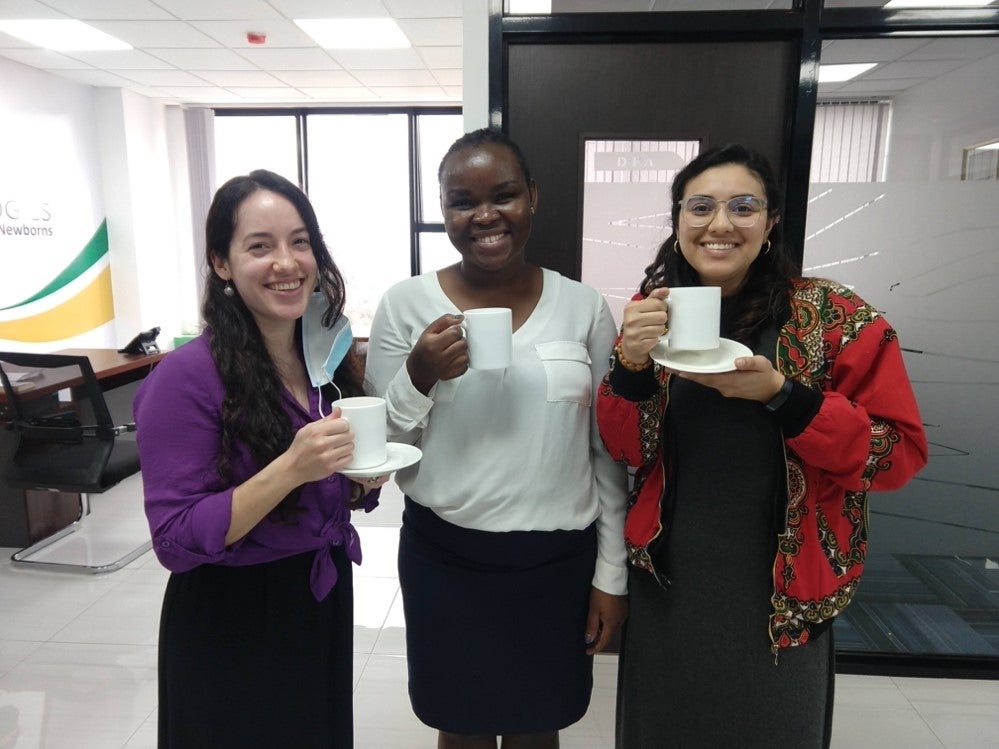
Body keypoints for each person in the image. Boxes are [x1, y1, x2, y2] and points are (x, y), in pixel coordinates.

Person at [596, 144, 928, 748]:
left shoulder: (834, 317)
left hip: (784, 594)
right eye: (700, 207)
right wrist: (632, 367)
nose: (720, 224)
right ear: (677, 223)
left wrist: (785, 396)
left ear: (771, 222)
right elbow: (626, 450)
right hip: (672, 583)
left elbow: (897, 454)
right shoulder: (653, 316)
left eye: (743, 206)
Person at [364, 128, 629, 749]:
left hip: (557, 566)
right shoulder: (406, 305)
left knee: (540, 726)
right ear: (443, 210)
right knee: (461, 727)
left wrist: (610, 576)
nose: (484, 215)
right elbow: (380, 446)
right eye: (461, 200)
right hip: (446, 561)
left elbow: (606, 453)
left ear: (532, 198)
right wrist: (420, 373)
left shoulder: (583, 307)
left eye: (504, 194)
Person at [134, 169, 388, 748]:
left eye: (301, 242)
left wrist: (356, 483)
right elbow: (174, 538)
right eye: (259, 246)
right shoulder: (186, 377)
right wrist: (292, 468)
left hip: (318, 599)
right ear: (221, 263)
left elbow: (322, 488)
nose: (287, 262)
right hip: (234, 617)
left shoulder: (323, 355)